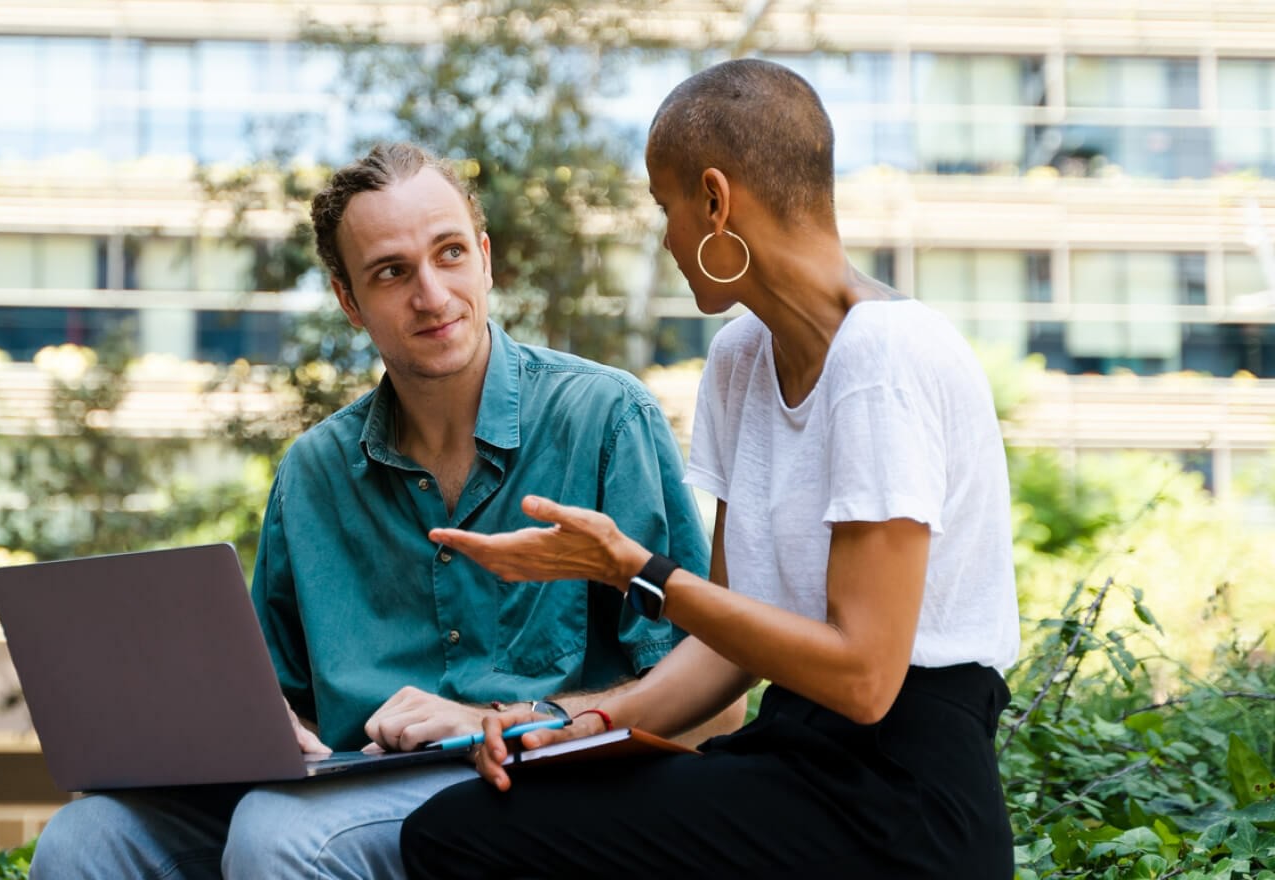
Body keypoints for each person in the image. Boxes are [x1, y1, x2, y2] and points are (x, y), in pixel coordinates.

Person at [28, 142, 735, 880]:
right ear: (348, 301)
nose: (431, 294)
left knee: (281, 833)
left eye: (451, 254)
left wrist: (506, 721)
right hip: (349, 786)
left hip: (537, 785)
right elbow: (284, 702)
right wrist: (256, 728)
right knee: (87, 838)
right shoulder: (313, 473)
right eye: (392, 273)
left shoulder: (604, 419)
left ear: (486, 259)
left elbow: (711, 704)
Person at [400, 58, 1021, 879]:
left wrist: (636, 570)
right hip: (791, 759)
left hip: (902, 802)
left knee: (463, 840)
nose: (664, 237)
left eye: (667, 206)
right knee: (469, 821)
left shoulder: (885, 356)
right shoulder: (741, 358)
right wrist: (582, 724)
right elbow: (731, 638)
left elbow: (868, 678)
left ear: (717, 201)